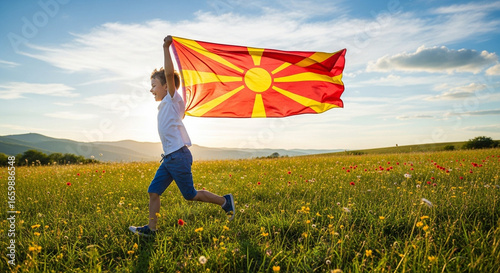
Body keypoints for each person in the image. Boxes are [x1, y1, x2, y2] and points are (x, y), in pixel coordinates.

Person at [129, 36, 235, 237]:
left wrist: (165, 48)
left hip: (179, 156)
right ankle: (151, 230)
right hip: (169, 158)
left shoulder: (172, 99)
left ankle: (225, 201)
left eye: (154, 85)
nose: (151, 89)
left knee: (190, 195)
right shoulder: (163, 105)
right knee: (153, 191)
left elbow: (169, 73)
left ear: (167, 87)